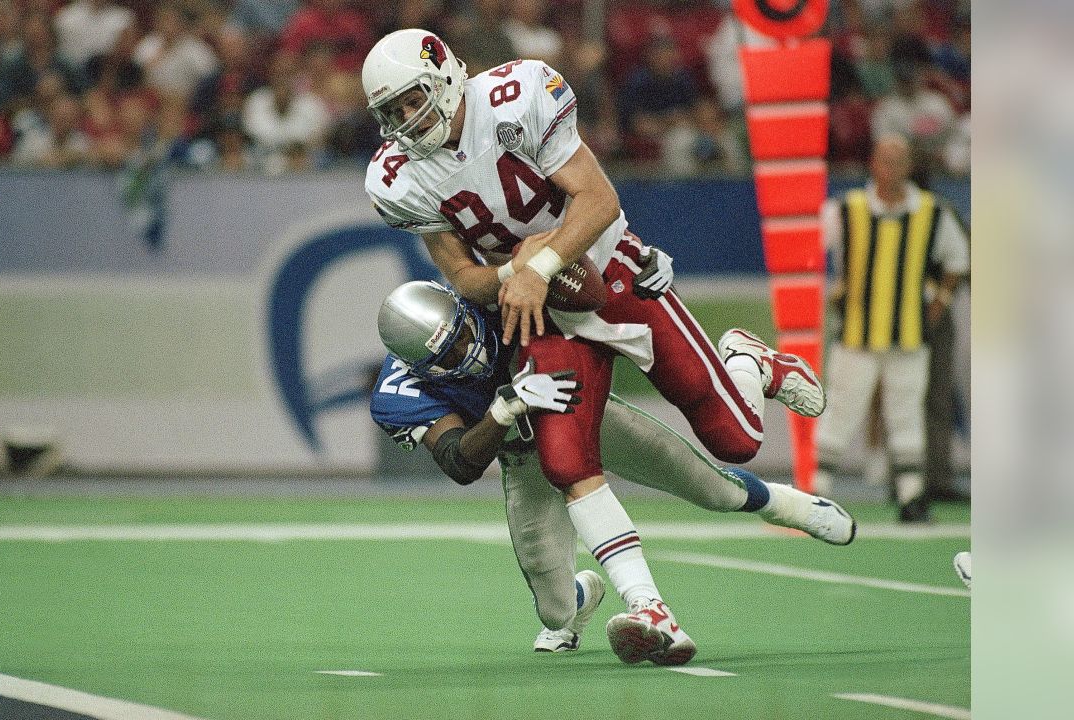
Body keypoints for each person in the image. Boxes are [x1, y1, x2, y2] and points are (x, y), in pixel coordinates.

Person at [360, 29, 828, 661]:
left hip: (607, 274)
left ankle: (747, 360)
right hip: (541, 311)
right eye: (388, 113)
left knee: (735, 440)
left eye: (408, 102)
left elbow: (599, 200)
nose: (402, 123)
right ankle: (651, 610)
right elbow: (465, 278)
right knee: (565, 458)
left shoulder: (515, 96)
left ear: (443, 75)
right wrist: (517, 274)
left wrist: (542, 261)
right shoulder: (398, 179)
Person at [370, 281, 856, 660]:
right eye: (449, 355)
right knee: (556, 613)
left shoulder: (490, 298)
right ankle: (586, 594)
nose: (468, 351)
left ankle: (784, 500)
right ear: (419, 367)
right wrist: (505, 408)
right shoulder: (400, 392)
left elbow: (583, 287)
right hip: (519, 454)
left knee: (711, 488)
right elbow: (459, 463)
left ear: (459, 306)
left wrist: (644, 275)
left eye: (464, 335)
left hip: (576, 411)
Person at [813, 134, 969, 522]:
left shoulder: (932, 212)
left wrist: (940, 301)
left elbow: (958, 259)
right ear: (873, 164)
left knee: (907, 415)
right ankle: (816, 492)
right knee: (841, 410)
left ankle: (911, 497)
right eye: (886, 159)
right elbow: (812, 252)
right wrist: (833, 290)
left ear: (910, 166)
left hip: (909, 334)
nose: (893, 168)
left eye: (900, 160)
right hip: (856, 334)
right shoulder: (845, 209)